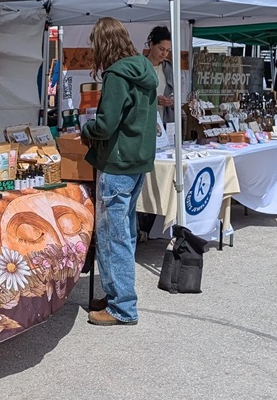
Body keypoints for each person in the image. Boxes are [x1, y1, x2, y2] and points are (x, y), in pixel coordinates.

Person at [81, 17, 157, 326]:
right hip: (136, 162)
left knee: (114, 236)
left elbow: (106, 124)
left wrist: (87, 128)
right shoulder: (144, 68)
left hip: (117, 163)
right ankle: (117, 295)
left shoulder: (117, 75)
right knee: (121, 232)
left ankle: (122, 307)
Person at [145, 26, 176, 125]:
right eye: (161, 49)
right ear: (151, 45)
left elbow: (176, 93)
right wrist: (154, 101)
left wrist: (172, 100)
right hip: (144, 121)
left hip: (165, 121)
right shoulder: (139, 67)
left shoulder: (170, 69)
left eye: (168, 50)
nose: (164, 54)